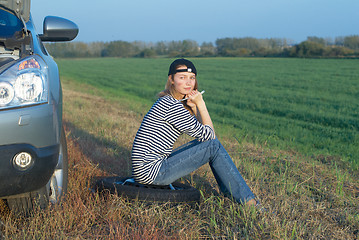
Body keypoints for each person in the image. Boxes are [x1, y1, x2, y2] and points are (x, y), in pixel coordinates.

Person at [131, 58, 258, 207]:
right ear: (171, 80)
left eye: (192, 78)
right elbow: (210, 136)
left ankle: (233, 193)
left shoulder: (169, 102)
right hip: (152, 173)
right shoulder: (171, 106)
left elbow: (203, 134)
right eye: (182, 78)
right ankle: (248, 202)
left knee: (210, 144)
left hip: (149, 169)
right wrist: (201, 104)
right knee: (214, 146)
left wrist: (194, 108)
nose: (188, 83)